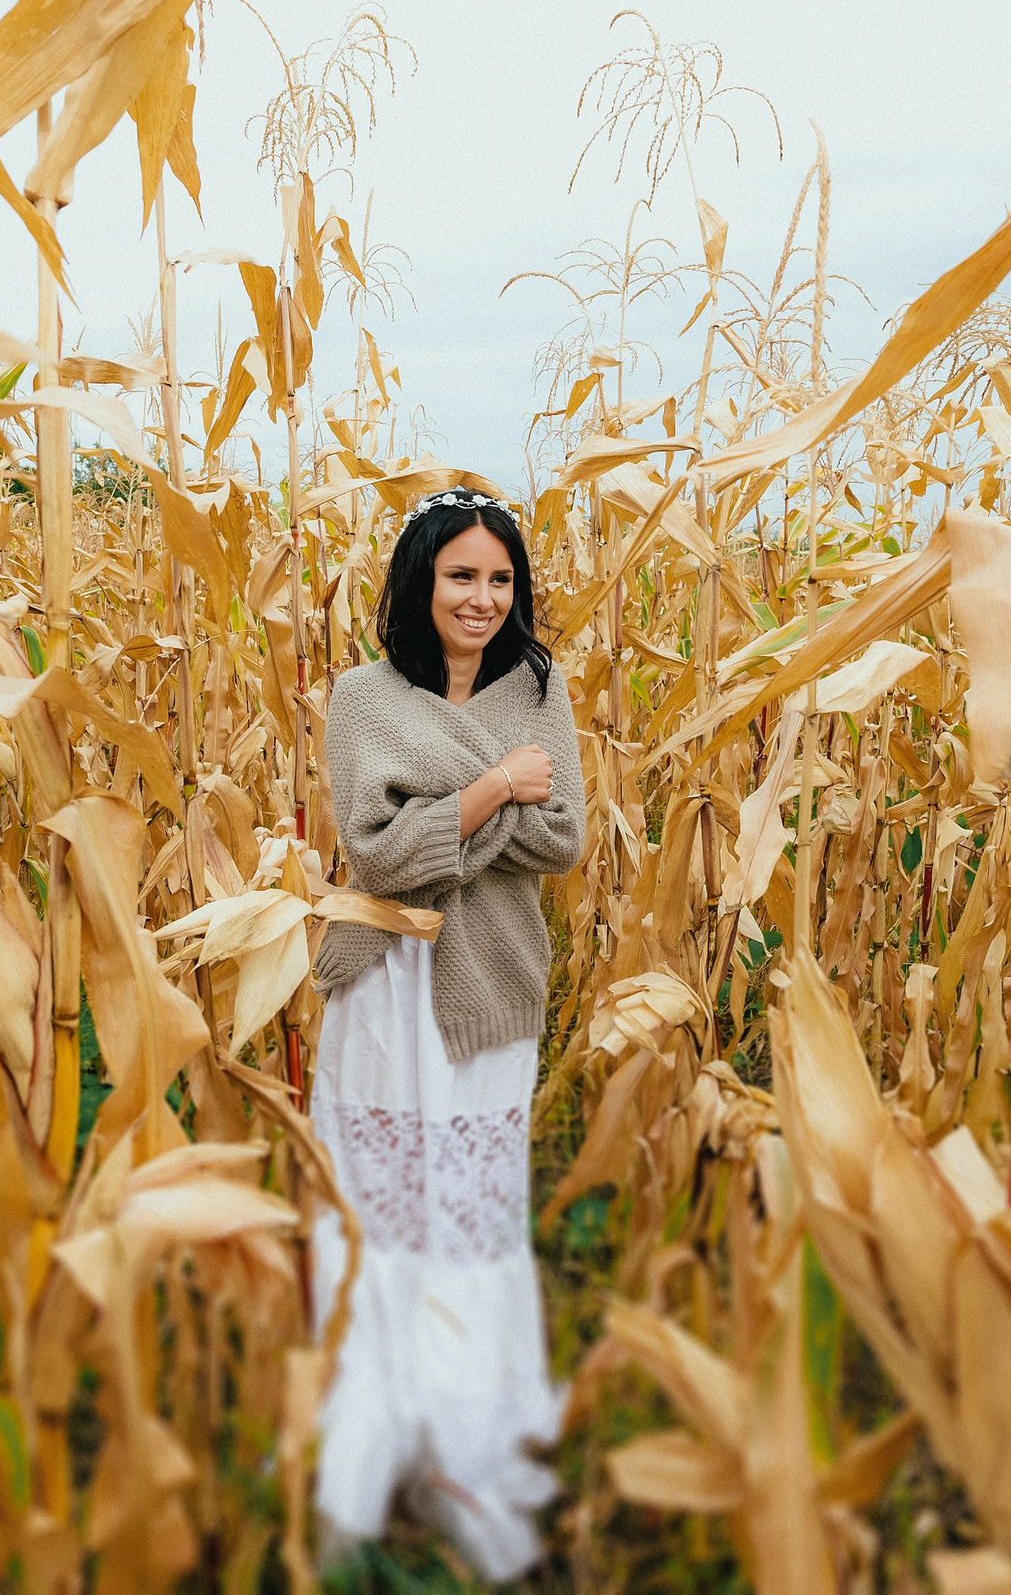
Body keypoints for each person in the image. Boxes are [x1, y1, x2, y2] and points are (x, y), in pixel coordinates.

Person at [308, 486, 587, 1580]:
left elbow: (558, 838)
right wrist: (490, 796)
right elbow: (373, 862)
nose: (481, 598)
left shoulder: (539, 691)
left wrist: (441, 820)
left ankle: (466, 1453)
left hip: (488, 987)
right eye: (460, 575)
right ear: (420, 584)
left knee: (467, 1220)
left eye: (500, 578)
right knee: (380, 1219)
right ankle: (370, 1448)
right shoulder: (360, 699)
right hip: (383, 984)